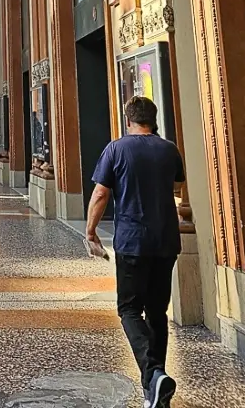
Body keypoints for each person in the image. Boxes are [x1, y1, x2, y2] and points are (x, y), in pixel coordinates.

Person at [86, 96, 185, 408]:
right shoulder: (169, 149)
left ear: (128, 119)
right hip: (166, 241)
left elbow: (101, 193)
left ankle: (154, 375)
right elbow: (178, 188)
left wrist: (90, 232)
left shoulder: (116, 149)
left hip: (131, 242)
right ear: (153, 120)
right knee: (157, 312)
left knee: (129, 310)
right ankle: (154, 392)